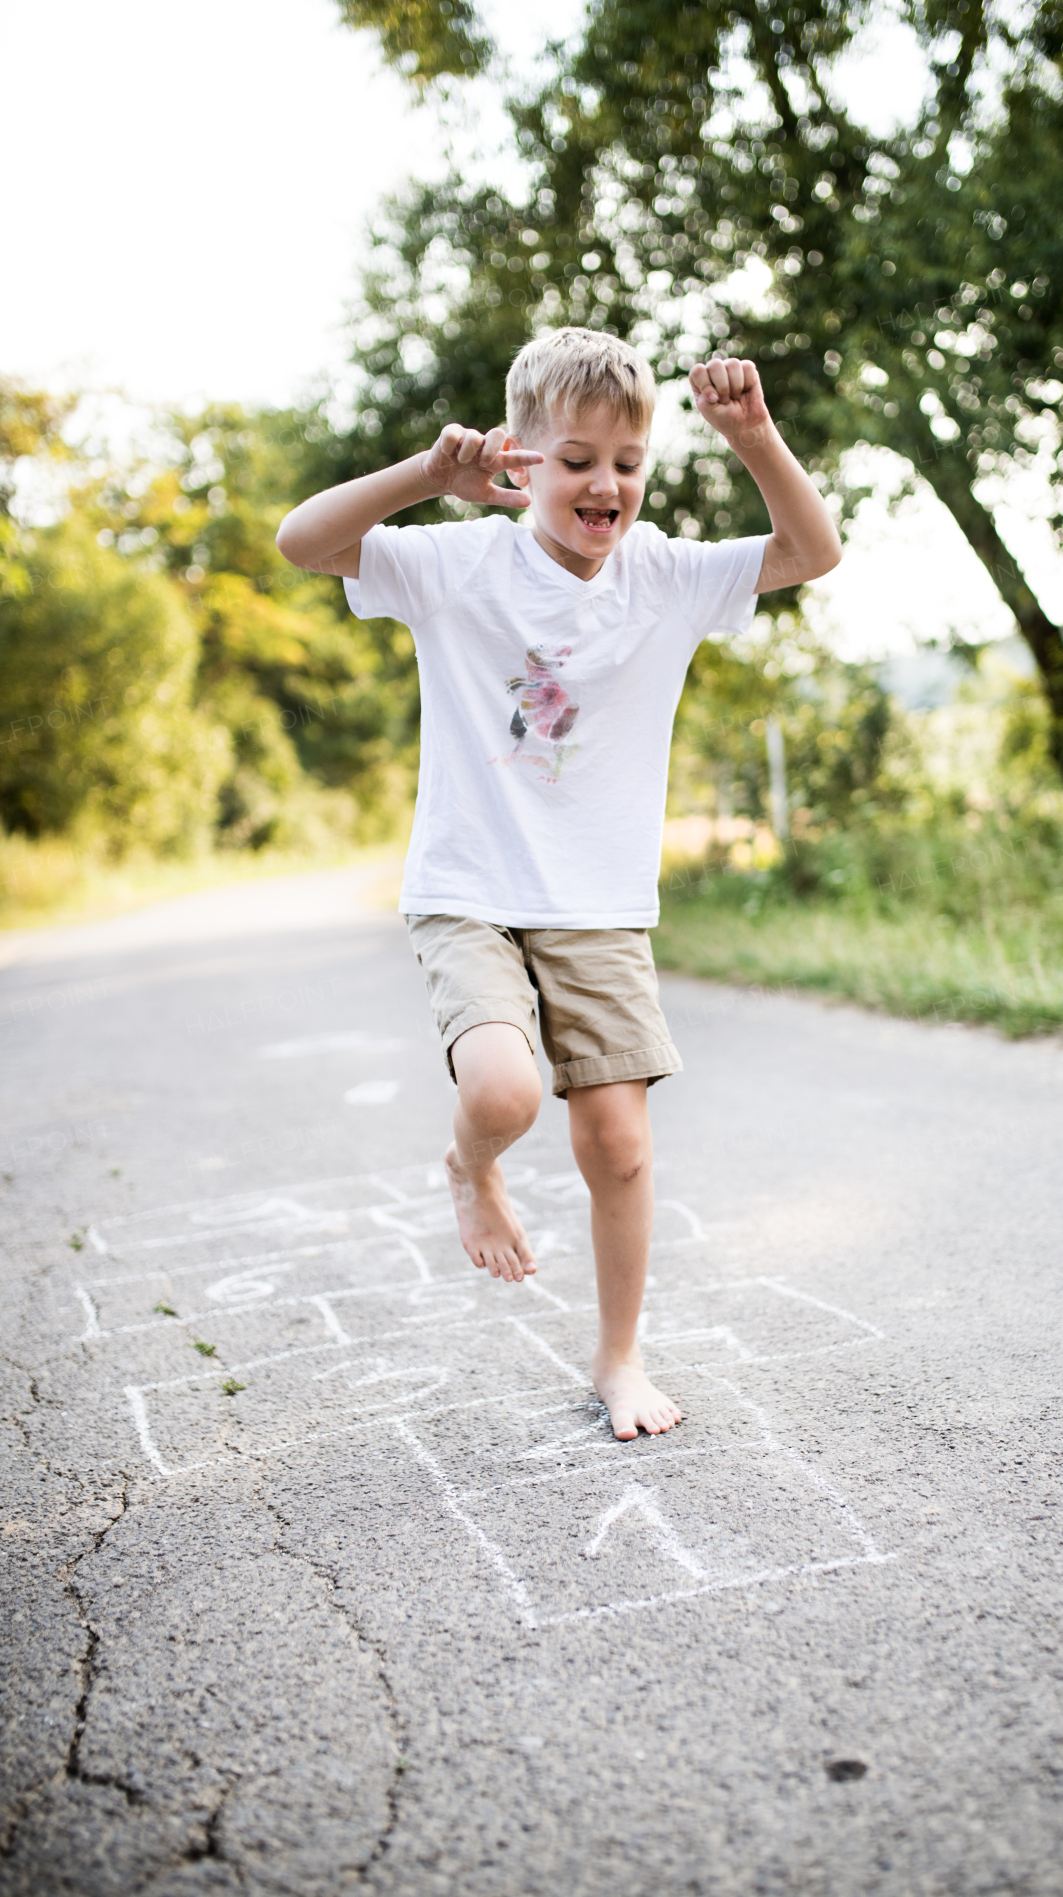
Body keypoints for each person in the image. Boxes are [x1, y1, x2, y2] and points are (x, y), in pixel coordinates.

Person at [276, 328, 841, 1438]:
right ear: (520, 460)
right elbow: (302, 540)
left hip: (600, 905)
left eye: (626, 462)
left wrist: (755, 437)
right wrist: (428, 478)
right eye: (576, 459)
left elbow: (808, 552)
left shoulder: (666, 577)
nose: (605, 485)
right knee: (500, 1095)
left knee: (618, 1144)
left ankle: (618, 1358)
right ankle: (467, 1166)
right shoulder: (456, 564)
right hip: (471, 888)